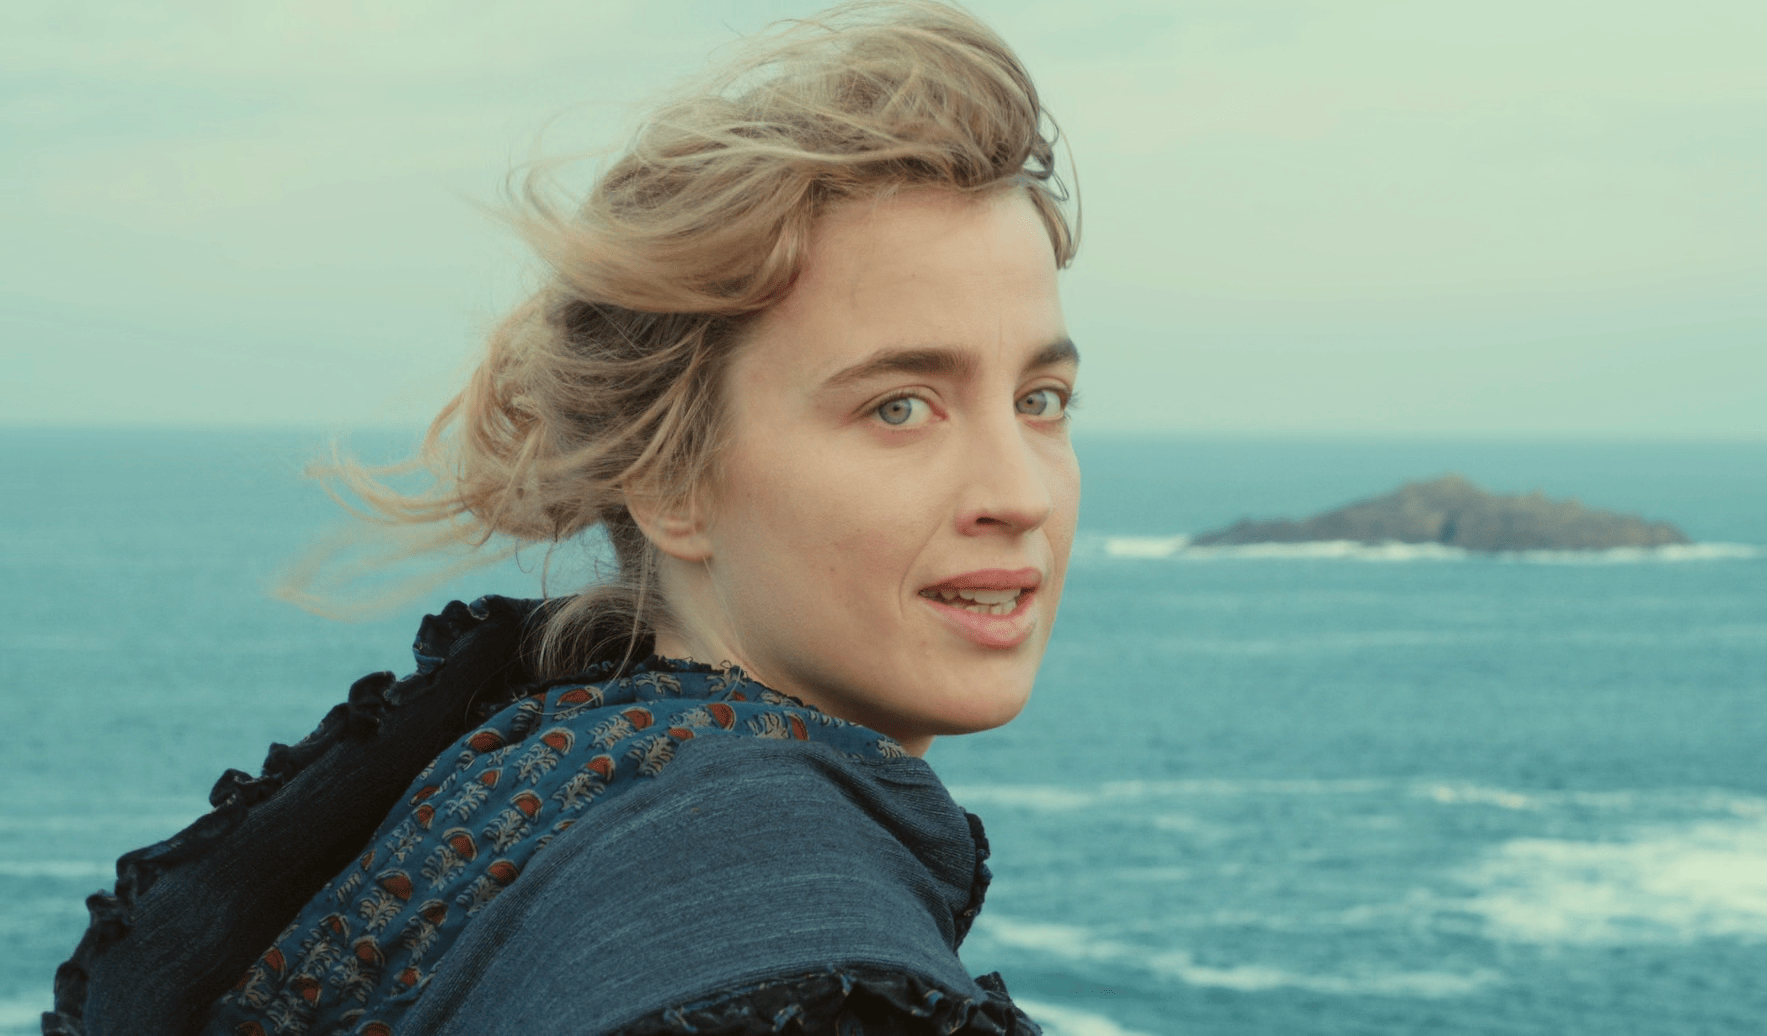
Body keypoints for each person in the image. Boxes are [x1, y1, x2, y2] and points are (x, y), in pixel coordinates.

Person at [44, 2, 1078, 1033]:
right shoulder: (796, 963)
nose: (1020, 492)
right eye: (899, 407)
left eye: (1041, 400)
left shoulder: (536, 786)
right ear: (671, 480)